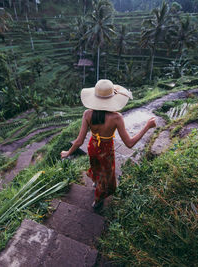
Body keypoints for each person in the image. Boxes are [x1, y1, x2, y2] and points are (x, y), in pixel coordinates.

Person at [61, 79, 156, 209]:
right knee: (106, 176)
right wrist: (147, 126)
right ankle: (98, 200)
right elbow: (129, 143)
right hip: (106, 151)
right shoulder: (116, 118)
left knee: (95, 164)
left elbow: (79, 141)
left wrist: (68, 152)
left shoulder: (88, 114)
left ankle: (95, 181)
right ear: (112, 99)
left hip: (93, 145)